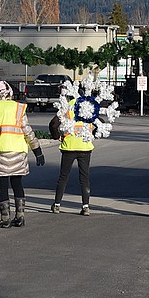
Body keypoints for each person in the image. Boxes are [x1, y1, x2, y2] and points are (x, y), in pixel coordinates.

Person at [0, 80, 44, 228]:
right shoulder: (19, 108)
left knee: (2, 187)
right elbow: (27, 131)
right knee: (17, 184)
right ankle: (20, 216)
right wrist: (37, 151)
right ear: (10, 92)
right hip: (18, 151)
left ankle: (5, 218)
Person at [50, 86, 95, 217]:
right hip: (85, 148)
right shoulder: (88, 109)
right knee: (84, 178)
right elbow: (100, 122)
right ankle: (85, 206)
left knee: (63, 177)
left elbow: (53, 124)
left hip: (68, 146)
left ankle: (57, 204)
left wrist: (56, 136)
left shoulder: (66, 109)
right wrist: (92, 134)